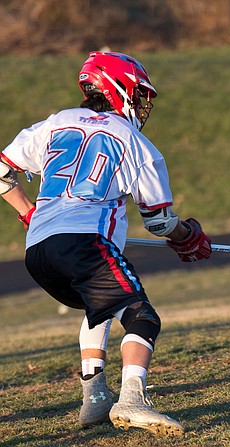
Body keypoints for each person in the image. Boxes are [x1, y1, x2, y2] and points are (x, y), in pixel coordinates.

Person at [0, 51, 212, 436]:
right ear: (119, 90)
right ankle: (132, 398)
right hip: (83, 241)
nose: (144, 106)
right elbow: (161, 221)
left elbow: (1, 169)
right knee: (141, 316)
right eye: (139, 94)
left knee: (99, 306)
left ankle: (94, 398)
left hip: (38, 250)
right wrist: (189, 238)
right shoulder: (133, 141)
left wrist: (29, 211)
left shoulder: (57, 122)